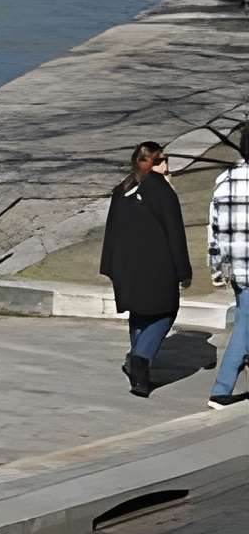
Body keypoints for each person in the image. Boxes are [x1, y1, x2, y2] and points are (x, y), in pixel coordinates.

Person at [103, 141, 190, 396]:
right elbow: (175, 234)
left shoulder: (123, 189)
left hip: (125, 267)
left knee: (140, 312)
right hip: (158, 267)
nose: (167, 165)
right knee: (165, 311)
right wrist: (183, 271)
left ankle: (137, 361)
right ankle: (140, 359)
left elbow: (112, 232)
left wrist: (111, 266)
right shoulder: (163, 192)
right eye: (163, 160)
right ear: (154, 163)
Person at [209, 127, 249, 406]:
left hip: (236, 267)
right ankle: (221, 389)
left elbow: (214, 230)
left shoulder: (224, 180)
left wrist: (216, 268)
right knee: (245, 326)